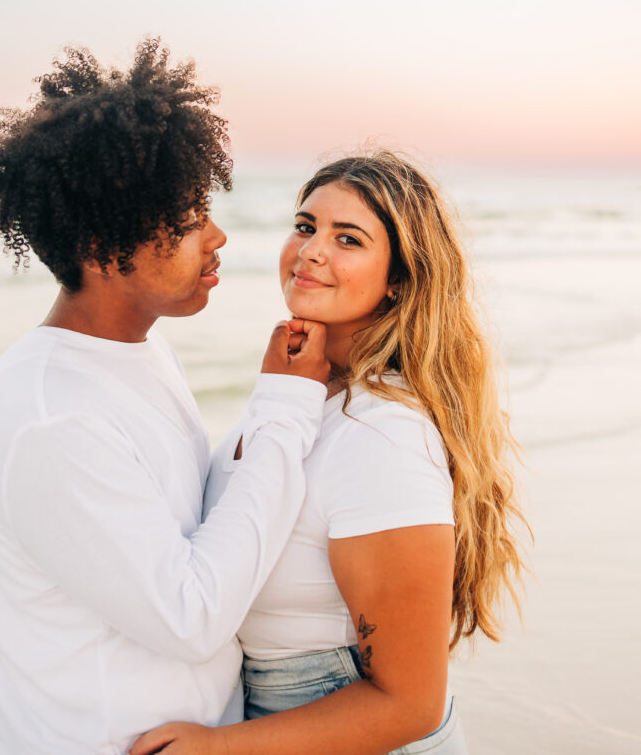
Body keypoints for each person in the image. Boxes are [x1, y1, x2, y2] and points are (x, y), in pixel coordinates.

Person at [0, 39, 331, 755]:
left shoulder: (136, 350)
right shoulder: (54, 414)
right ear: (105, 245)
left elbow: (192, 519)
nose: (217, 235)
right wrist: (285, 413)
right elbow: (190, 615)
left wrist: (274, 401)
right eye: (189, 216)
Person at [132, 151, 527, 755]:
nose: (312, 250)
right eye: (305, 226)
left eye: (348, 238)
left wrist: (216, 748)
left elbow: (410, 704)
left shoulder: (382, 433)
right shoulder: (303, 391)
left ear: (399, 276)